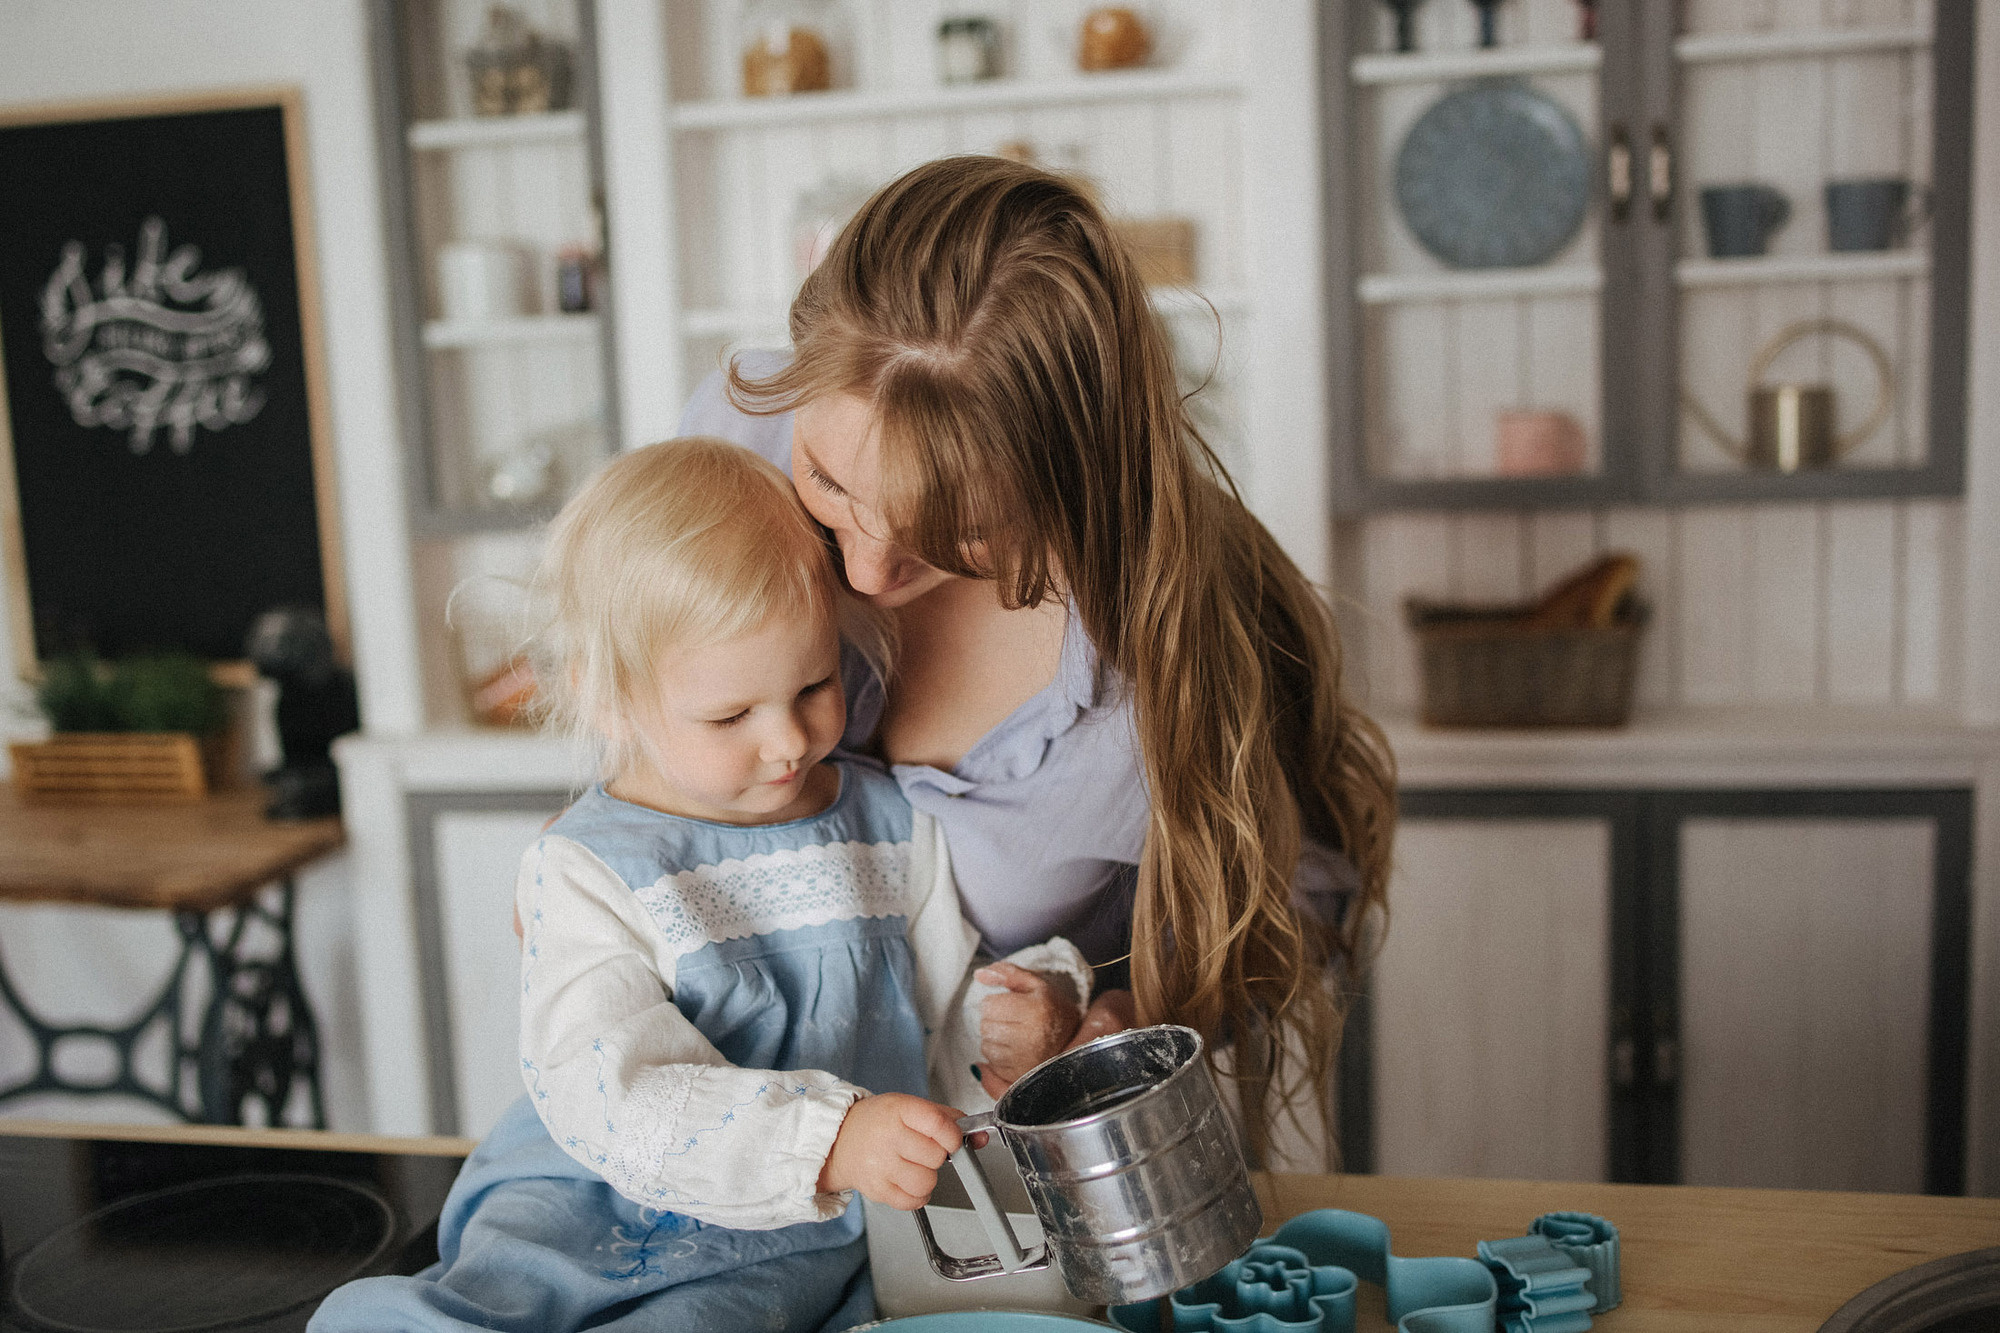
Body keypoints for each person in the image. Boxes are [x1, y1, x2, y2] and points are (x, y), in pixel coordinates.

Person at [681, 153, 1397, 1163]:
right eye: (830, 483)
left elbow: (1299, 898)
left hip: (993, 1181)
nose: (868, 571)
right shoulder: (731, 437)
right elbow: (645, 691)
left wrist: (1125, 1020)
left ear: (1072, 481)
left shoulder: (1165, 646)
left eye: (955, 533)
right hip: (725, 1140)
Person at [312, 438, 1091, 1333]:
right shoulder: (587, 866)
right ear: (608, 700)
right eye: (731, 714)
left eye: (815, 682)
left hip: (797, 1232)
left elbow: (936, 1013)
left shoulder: (889, 824)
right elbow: (611, 1089)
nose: (788, 741)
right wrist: (828, 1137)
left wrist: (1019, 1012)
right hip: (588, 1197)